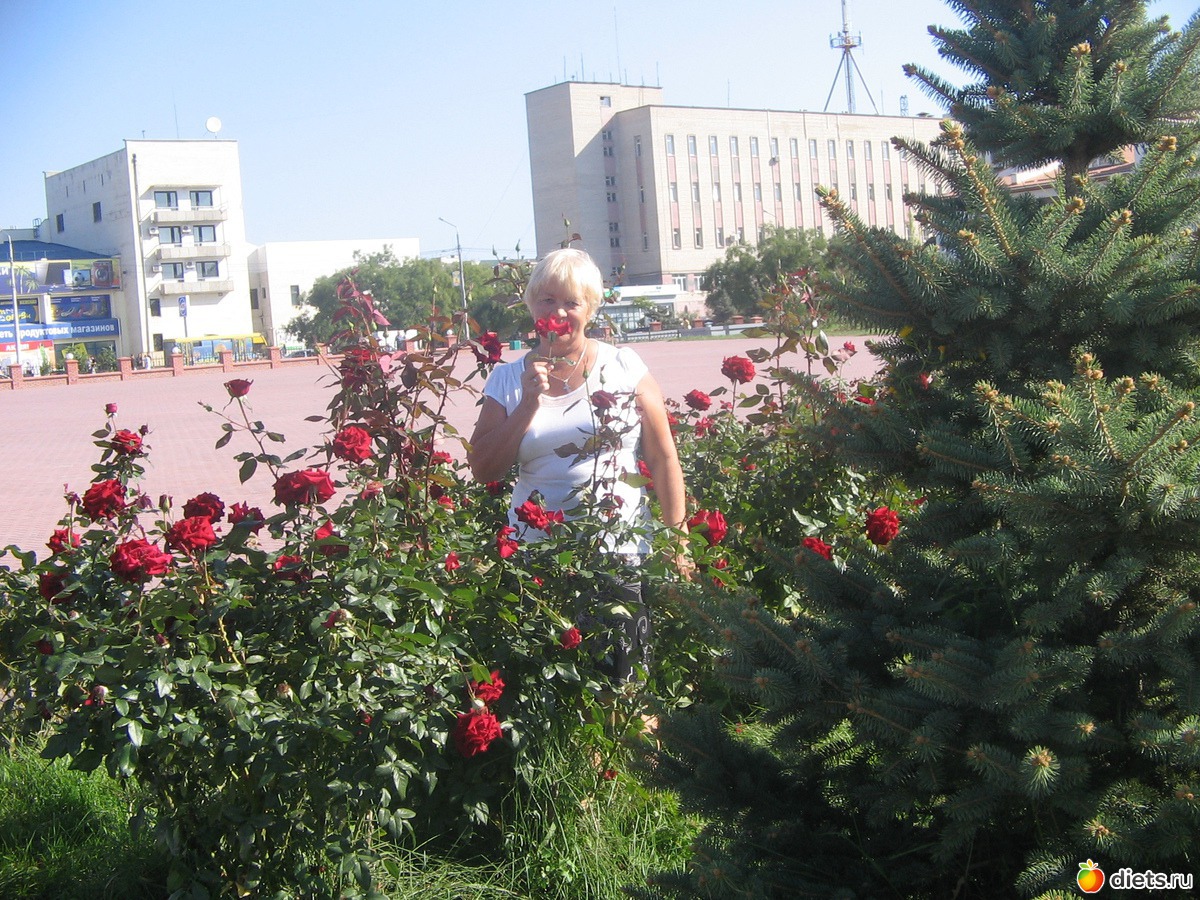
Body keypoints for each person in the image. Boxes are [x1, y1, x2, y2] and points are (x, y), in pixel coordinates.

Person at [469, 248, 687, 681]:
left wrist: (677, 541)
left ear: (590, 308)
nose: (558, 312)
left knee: (622, 684)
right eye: (548, 300)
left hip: (617, 548)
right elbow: (483, 469)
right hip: (539, 556)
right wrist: (528, 403)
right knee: (552, 688)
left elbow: (663, 457)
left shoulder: (623, 366)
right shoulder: (507, 380)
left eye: (572, 301)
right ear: (532, 306)